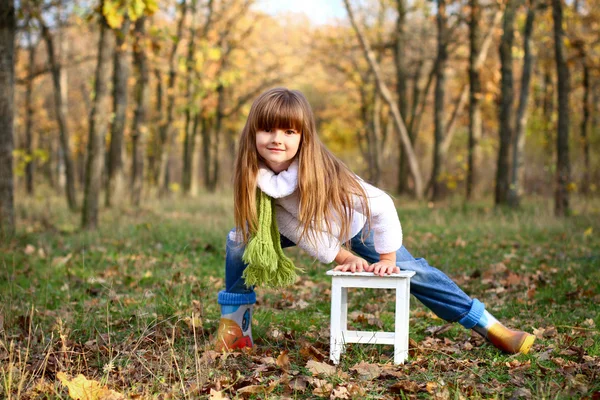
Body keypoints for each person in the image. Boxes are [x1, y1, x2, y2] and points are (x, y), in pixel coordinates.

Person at [215, 87, 535, 355]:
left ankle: (489, 325)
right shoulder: (254, 176)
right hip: (305, 227)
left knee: (416, 272)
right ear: (252, 132)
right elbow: (293, 227)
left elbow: (381, 206)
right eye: (267, 129)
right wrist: (340, 256)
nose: (276, 139)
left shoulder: (325, 173)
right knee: (239, 238)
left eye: (288, 131)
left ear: (303, 137)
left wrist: (387, 257)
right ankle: (236, 327)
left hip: (355, 226)